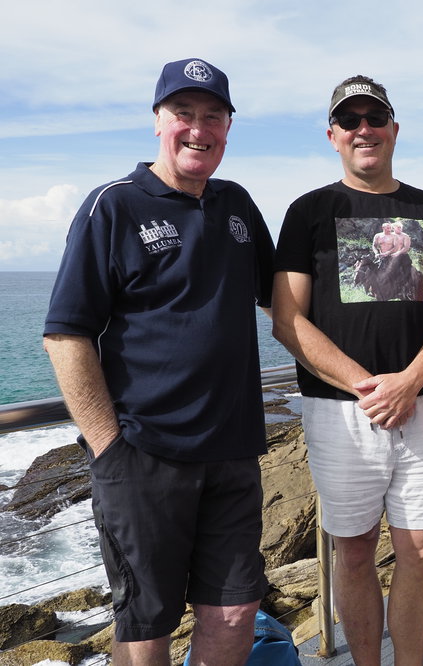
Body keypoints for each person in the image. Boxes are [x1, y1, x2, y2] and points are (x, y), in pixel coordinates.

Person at [43, 58, 274, 666]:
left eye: (212, 117)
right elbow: (67, 335)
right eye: (184, 114)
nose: (198, 129)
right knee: (146, 632)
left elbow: (289, 301)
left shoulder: (238, 206)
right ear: (157, 122)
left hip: (232, 453)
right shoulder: (112, 206)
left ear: (229, 126)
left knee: (234, 612)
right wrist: (108, 448)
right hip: (144, 456)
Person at [271, 74, 423, 666]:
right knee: (352, 553)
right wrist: (370, 387)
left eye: (374, 118)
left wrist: (407, 382)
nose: (364, 130)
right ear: (332, 134)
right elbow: (287, 320)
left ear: (394, 130)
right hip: (339, 412)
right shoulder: (308, 212)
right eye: (350, 121)